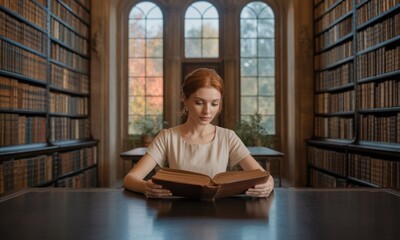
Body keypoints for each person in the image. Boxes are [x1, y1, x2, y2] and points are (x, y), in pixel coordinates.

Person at [124, 68, 274, 198]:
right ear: (185, 100)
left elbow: (263, 176)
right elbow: (130, 178)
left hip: (217, 218)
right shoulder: (167, 137)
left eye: (214, 104)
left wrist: (269, 184)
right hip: (177, 215)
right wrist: (146, 187)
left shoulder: (227, 137)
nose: (207, 111)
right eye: (199, 102)